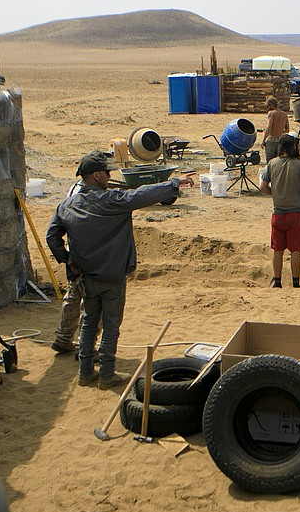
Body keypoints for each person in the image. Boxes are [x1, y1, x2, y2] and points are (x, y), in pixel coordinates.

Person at [46, 151, 193, 386]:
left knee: (89, 323)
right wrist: (174, 183)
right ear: (96, 175)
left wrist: (68, 260)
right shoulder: (111, 200)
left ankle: (85, 373)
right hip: (112, 276)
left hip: (85, 277)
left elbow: (52, 237)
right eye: (106, 172)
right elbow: (142, 195)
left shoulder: (66, 205)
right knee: (111, 326)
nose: (109, 176)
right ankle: (106, 374)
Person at [259, 134, 300, 288]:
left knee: (278, 249)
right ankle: (296, 282)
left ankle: (277, 280)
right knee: (296, 250)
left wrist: (274, 193)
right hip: (296, 212)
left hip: (278, 212)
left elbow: (263, 187)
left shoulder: (272, 163)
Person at [50, 179, 83, 354]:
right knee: (90, 303)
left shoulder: (73, 191)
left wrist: (66, 258)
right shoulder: (86, 196)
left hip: (74, 257)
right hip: (87, 258)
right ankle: (85, 347)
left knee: (72, 297)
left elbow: (52, 237)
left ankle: (63, 338)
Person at [263, 96, 289, 162]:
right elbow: (287, 130)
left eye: (267, 106)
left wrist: (263, 141)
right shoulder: (285, 115)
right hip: (280, 140)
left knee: (270, 162)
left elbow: (269, 127)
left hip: (271, 140)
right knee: (279, 162)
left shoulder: (271, 113)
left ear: (271, 105)